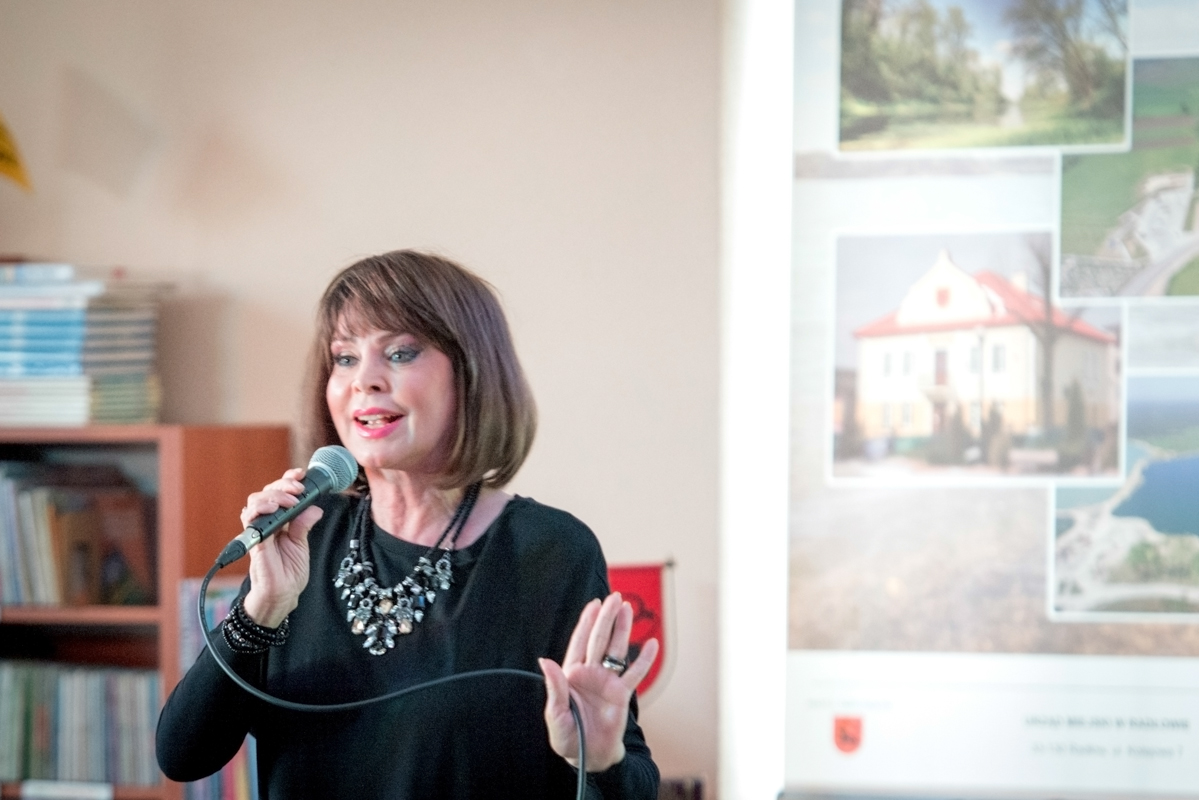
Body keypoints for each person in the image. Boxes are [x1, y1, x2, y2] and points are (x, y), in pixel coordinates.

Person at [157, 250, 660, 799]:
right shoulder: (305, 533)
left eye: (399, 353)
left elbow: (631, 780)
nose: (364, 381)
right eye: (344, 358)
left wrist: (599, 759)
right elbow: (184, 756)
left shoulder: (550, 551)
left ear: (470, 373)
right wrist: (263, 607)